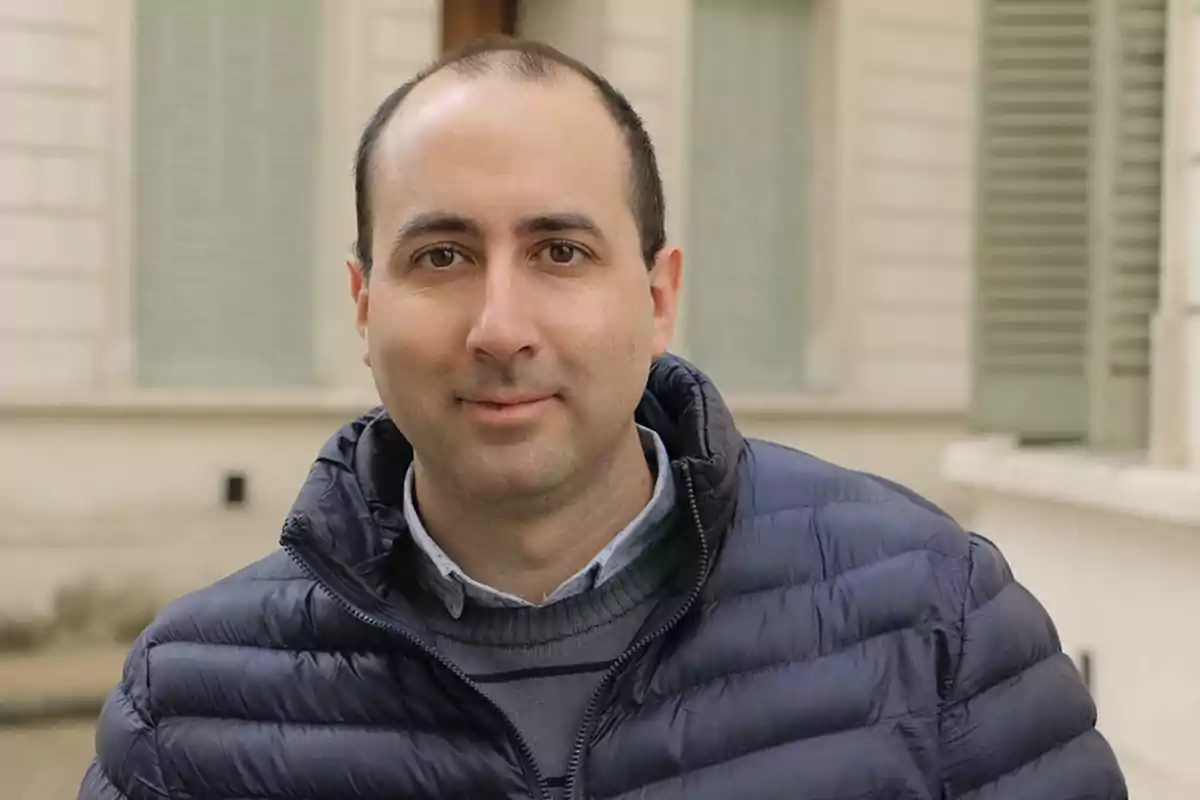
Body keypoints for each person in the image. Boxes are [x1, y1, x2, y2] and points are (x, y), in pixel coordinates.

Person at [79, 36, 1126, 800]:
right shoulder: (191, 705)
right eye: (440, 255)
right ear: (364, 305)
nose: (499, 324)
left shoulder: (934, 619)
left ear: (659, 294)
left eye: (560, 251)